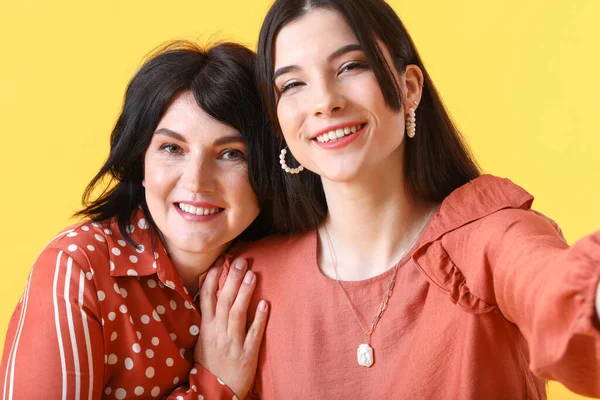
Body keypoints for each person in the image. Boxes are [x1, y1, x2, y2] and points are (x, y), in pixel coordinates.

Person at [217, 0, 600, 398]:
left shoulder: (489, 239)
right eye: (293, 84)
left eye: (351, 66)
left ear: (409, 87)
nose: (324, 101)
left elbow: (551, 287)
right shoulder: (246, 282)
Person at [0, 41, 277, 400]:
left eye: (230, 154)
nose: (196, 181)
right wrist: (214, 387)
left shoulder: (284, 270)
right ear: (140, 163)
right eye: (172, 149)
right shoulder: (76, 269)